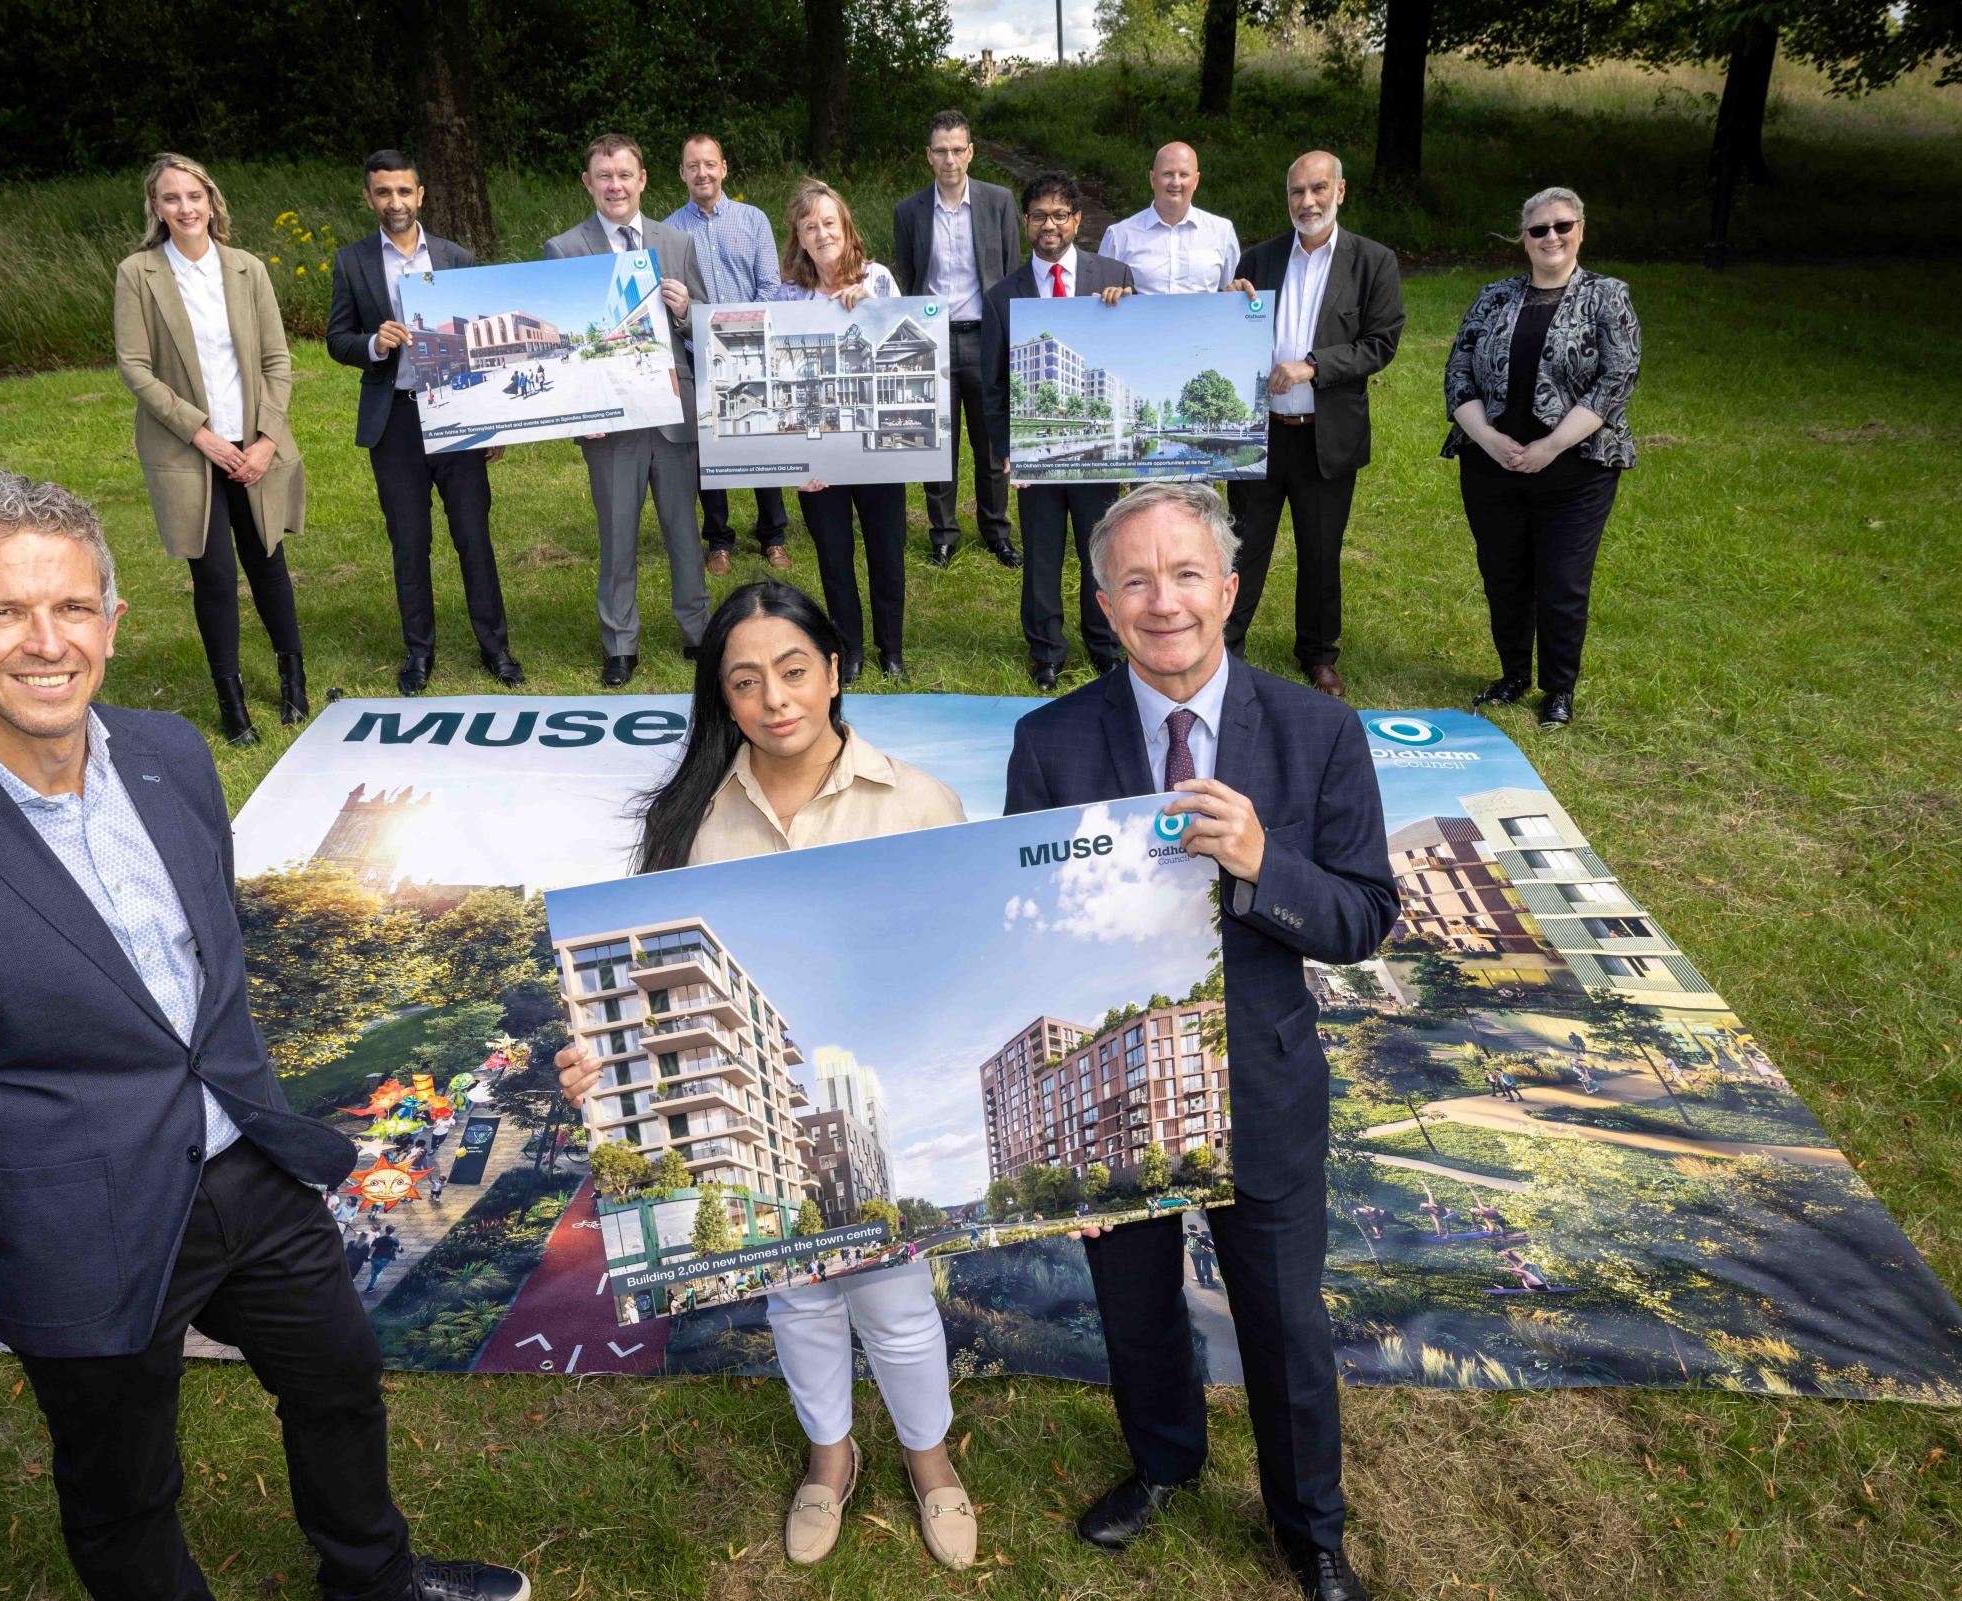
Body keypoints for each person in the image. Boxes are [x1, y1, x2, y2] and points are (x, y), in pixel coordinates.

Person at [0, 472, 527, 1601]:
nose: (45, 642)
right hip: (78, 1229)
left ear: (114, 625)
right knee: (125, 1486)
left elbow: (204, 970)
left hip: (253, 1173)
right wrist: (6, 1231)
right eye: (1, 612)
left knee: (340, 1380)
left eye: (72, 607)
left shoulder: (173, 756)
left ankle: (375, 1582)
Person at [1001, 481, 1398, 1601]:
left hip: (1260, 1079)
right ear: (1101, 599)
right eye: (1134, 578)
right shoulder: (1051, 743)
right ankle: (1165, 1458)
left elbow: (1366, 915)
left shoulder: (1316, 730)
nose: (1161, 600)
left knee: (1283, 1319)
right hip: (1116, 1081)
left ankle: (1309, 1524)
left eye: (1185, 574)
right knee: (1132, 1299)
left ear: (1229, 589)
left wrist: (1267, 862)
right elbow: (1021, 923)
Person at [552, 581, 977, 1571]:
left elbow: (951, 936)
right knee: (799, 1295)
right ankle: (832, 1457)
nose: (775, 698)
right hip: (755, 1102)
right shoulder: (693, 816)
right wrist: (602, 1060)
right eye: (745, 682)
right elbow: (649, 980)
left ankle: (932, 1460)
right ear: (722, 700)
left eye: (793, 671)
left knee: (895, 1294)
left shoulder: (917, 801)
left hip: (874, 1097)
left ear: (835, 670)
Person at [112, 153, 306, 748]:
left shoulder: (246, 269)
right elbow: (135, 368)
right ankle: (232, 701)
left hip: (255, 446)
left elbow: (277, 360)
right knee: (215, 574)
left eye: (194, 196)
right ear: (156, 208)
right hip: (190, 450)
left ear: (211, 201)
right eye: (171, 199)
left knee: (268, 561)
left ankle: (293, 681)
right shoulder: (137, 273)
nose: (185, 208)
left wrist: (268, 439)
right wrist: (201, 434)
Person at [326, 148, 522, 694]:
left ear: (421, 195)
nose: (395, 202)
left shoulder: (457, 259)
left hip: (457, 415)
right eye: (383, 192)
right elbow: (336, 338)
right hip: (397, 422)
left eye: (404, 191)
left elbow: (486, 344)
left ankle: (496, 647)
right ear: (369, 198)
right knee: (409, 542)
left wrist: (493, 422)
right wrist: (373, 342)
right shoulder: (353, 261)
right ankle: (419, 654)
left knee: (474, 536)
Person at [1443, 186, 1641, 728]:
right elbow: (1457, 372)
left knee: (1562, 582)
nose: (1551, 237)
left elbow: (1616, 378)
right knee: (1503, 575)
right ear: (1523, 239)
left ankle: (1558, 689)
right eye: (1539, 230)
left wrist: (1550, 446)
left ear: (1580, 229)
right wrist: (1486, 438)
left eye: (1562, 226)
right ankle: (1512, 674)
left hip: (1576, 470)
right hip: (1492, 466)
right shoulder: (1493, 297)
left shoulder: (1607, 296)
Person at [1224, 152, 1405, 701]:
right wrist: (1227, 306)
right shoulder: (1259, 258)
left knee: (1321, 550)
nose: (1307, 201)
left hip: (1326, 433)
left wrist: (1314, 365)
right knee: (1241, 545)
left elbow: (1380, 343)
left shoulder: (1372, 262)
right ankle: (1226, 644)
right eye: (1297, 191)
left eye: (1318, 189)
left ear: (1340, 191)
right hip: (1260, 433)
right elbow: (1228, 340)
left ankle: (1318, 654)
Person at [544, 131, 714, 687]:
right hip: (608, 421)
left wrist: (688, 308)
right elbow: (558, 345)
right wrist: (577, 413)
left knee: (684, 531)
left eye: (624, 175)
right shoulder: (564, 250)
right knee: (617, 533)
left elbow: (708, 322)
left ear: (643, 180)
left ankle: (697, 630)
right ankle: (620, 643)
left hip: (672, 411)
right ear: (588, 183)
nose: (615, 186)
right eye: (604, 176)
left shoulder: (676, 242)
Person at [978, 170, 1136, 692]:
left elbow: (1136, 352)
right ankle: (1046, 651)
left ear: (1078, 221)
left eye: (1060, 215)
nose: (1050, 225)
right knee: (1041, 555)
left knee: (1101, 551)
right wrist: (1003, 449)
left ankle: (1105, 646)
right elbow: (993, 382)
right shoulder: (1005, 296)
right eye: (1039, 216)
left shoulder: (1113, 275)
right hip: (1035, 453)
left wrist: (1127, 304)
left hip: (1099, 457)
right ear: (1026, 223)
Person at [773, 181, 911, 684]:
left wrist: (873, 307)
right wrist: (794, 460)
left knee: (886, 553)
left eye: (829, 222)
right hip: (819, 451)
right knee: (834, 557)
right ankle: (848, 650)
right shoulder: (789, 296)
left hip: (878, 446)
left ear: (846, 226)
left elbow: (908, 352)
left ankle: (890, 648)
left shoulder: (879, 279)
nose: (822, 232)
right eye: (810, 226)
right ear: (800, 239)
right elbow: (779, 383)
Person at [891, 108, 1021, 568]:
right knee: (937, 443)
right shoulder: (908, 211)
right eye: (941, 151)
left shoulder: (999, 202)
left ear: (971, 152)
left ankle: (996, 531)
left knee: (990, 443)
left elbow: (1009, 274)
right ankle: (943, 533)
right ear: (929, 156)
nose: (950, 159)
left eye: (957, 150)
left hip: (985, 336)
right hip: (932, 342)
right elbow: (906, 280)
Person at [663, 133, 793, 573]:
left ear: (723, 169)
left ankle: (773, 534)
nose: (702, 172)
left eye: (709, 164)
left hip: (751, 349)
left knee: (762, 442)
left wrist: (740, 332)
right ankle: (718, 539)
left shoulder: (753, 220)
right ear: (682, 173)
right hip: (696, 351)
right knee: (708, 449)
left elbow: (771, 285)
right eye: (692, 165)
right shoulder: (668, 232)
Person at [1098, 142, 1243, 295]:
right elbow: (1101, 295)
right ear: (1152, 179)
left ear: (1196, 181)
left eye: (1184, 175)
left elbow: (1231, 293)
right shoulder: (1119, 236)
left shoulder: (1222, 232)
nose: (1175, 182)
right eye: (1167, 174)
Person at [365, 1225, 401, 1292]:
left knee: (374, 1269)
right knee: (377, 1273)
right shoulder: (395, 1240)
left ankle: (373, 1276)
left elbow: (372, 1248)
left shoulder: (378, 1239)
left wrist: (369, 1256)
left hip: (375, 1258)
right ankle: (369, 1287)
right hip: (385, 1258)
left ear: (385, 1230)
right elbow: (398, 1249)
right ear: (393, 1232)